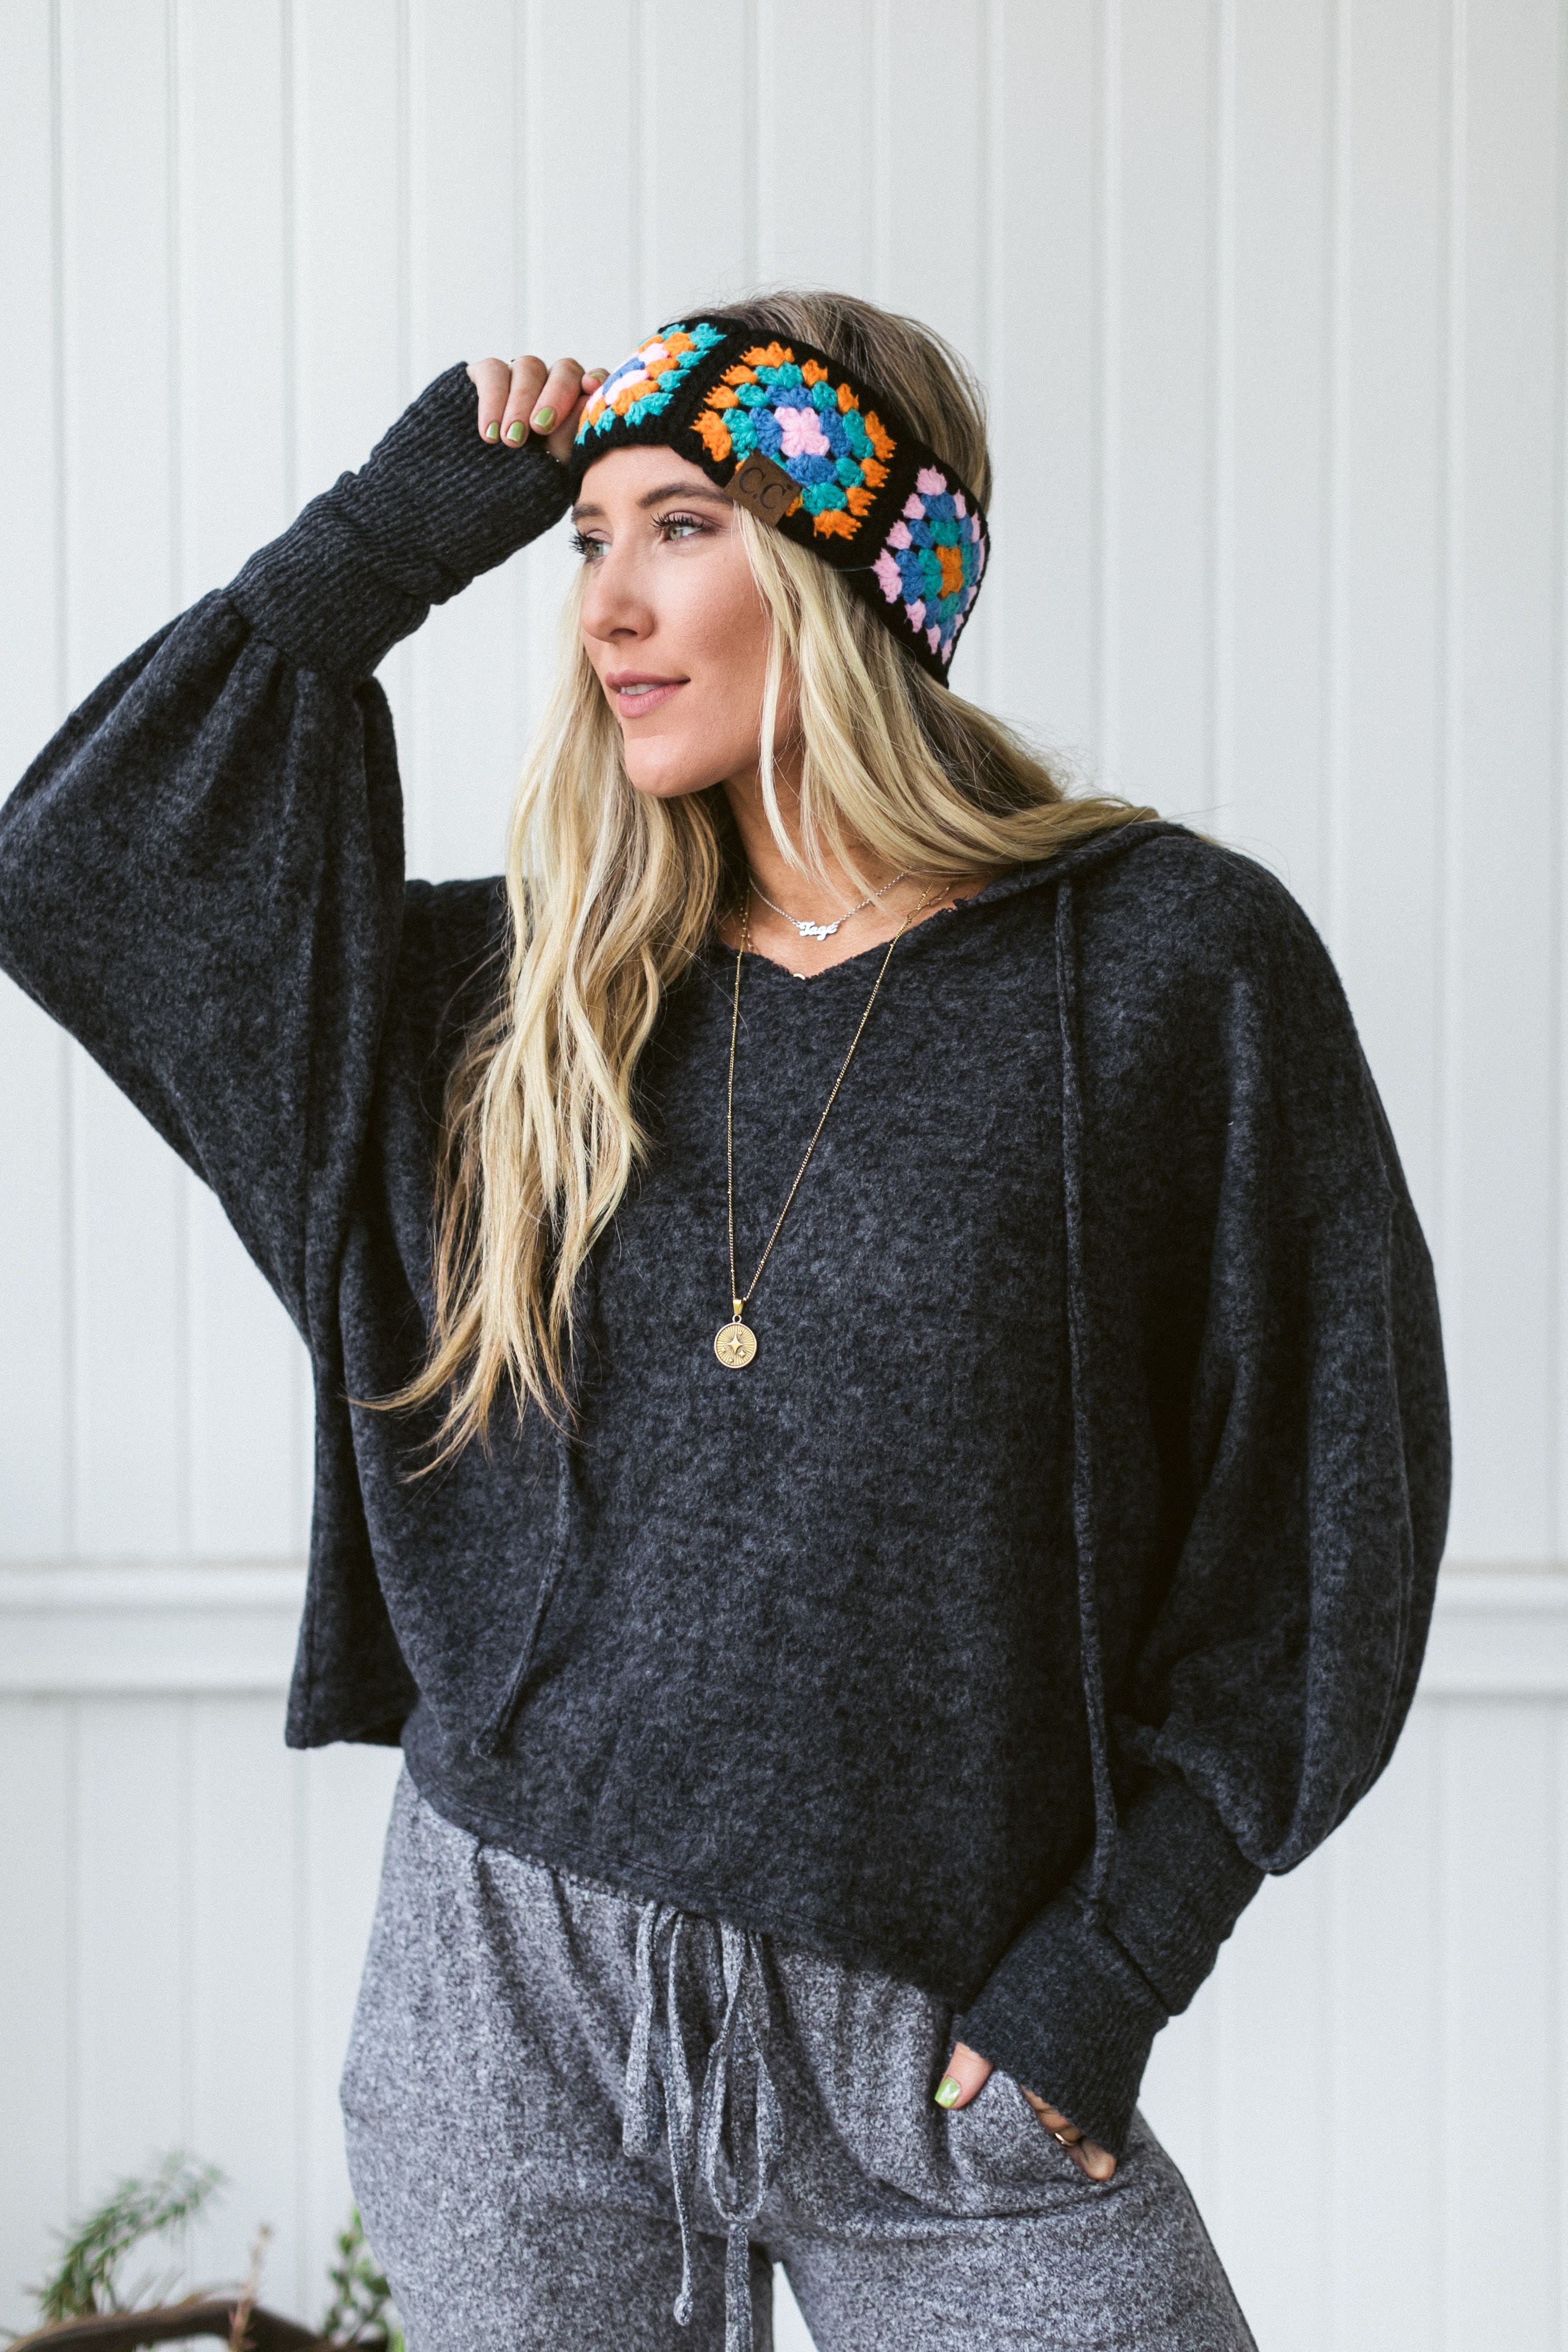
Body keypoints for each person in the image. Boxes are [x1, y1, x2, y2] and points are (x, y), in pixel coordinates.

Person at [0, 290, 1449, 2352]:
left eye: (680, 525)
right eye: (587, 538)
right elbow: (77, 876)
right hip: (511, 2022)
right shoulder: (511, 1008)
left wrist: (1116, 1965)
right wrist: (385, 538)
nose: (607, 603)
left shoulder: (1163, 966)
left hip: (943, 2056)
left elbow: (1322, 1517)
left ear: (861, 577)